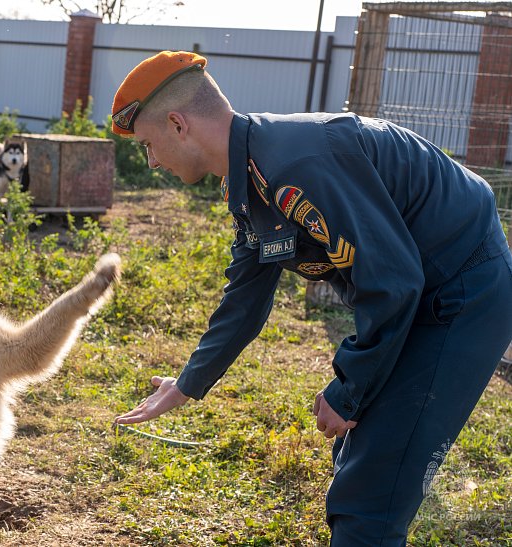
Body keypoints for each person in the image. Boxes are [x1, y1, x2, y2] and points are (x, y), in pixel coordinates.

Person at [110, 50, 512, 545]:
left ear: (177, 124)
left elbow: (394, 282)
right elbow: (244, 299)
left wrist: (348, 389)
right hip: (419, 296)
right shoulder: (251, 178)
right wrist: (188, 384)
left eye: (148, 145)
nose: (151, 163)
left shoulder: (297, 162)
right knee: (359, 462)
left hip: (461, 293)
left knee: (370, 497)